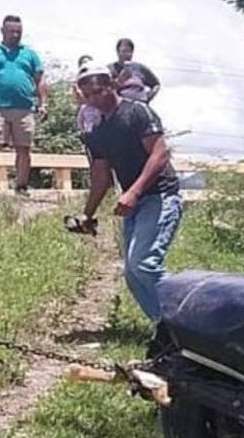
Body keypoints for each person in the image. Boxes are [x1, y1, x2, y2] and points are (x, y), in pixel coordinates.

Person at [72, 64, 182, 329]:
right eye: (88, 96)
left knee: (143, 264)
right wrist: (87, 214)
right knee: (133, 275)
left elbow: (160, 154)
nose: (94, 99)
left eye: (99, 91)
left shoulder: (137, 112)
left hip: (159, 195)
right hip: (134, 204)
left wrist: (133, 191)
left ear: (112, 85)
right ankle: (168, 330)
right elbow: (101, 177)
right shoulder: (97, 131)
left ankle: (192, 314)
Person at [0, 15, 47, 193]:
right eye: (11, 31)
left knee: (24, 149)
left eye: (18, 32)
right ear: (2, 31)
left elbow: (40, 79)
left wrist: (44, 103)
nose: (15, 34)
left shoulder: (29, 53)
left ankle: (21, 186)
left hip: (24, 109)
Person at [109, 37, 161, 103]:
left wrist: (149, 96)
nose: (127, 55)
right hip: (119, 106)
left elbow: (156, 84)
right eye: (124, 51)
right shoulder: (110, 69)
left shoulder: (140, 68)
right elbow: (104, 89)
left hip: (139, 104)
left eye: (129, 51)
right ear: (118, 52)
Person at [72, 54, 101, 138]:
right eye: (83, 63)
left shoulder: (99, 79)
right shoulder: (76, 82)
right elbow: (78, 99)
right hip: (84, 111)